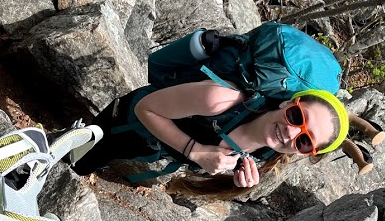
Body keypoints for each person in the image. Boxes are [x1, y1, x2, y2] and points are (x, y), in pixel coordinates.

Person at [70, 79, 349, 193]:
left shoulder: (265, 154)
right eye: (297, 116)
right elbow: (144, 108)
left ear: (304, 153)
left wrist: (236, 184)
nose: (291, 133)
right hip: (124, 122)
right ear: (287, 103)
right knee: (74, 163)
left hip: (147, 146)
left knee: (87, 164)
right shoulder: (221, 99)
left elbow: (195, 183)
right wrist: (194, 150)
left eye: (305, 141)